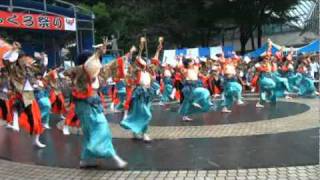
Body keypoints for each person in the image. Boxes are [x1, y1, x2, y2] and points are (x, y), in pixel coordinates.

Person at [64, 41, 131, 168]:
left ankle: (85, 160)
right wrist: (98, 53)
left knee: (91, 133)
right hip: (85, 107)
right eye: (94, 61)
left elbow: (110, 66)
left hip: (93, 106)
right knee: (102, 128)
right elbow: (84, 68)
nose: (97, 63)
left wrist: (125, 57)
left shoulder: (97, 73)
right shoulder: (80, 74)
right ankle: (113, 157)